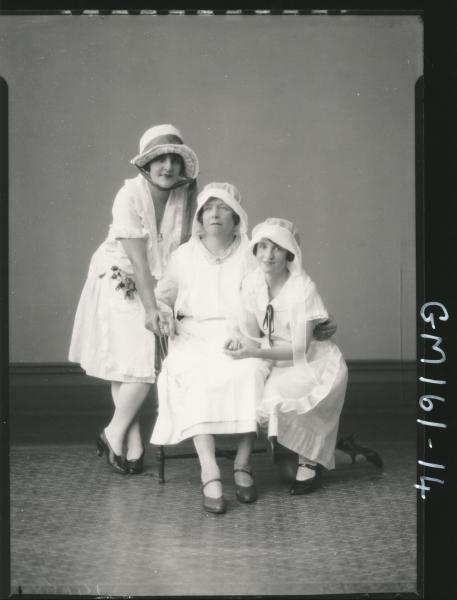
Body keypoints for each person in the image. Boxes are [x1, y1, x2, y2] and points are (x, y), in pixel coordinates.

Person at [69, 124, 199, 475]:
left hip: (152, 281)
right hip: (117, 276)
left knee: (129, 363)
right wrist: (152, 308)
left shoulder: (185, 198)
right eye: (160, 159)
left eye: (174, 159)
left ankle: (129, 438)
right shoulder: (128, 196)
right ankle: (114, 433)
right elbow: (139, 263)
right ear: (146, 164)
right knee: (137, 360)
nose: (168, 167)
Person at [150, 182, 271, 514]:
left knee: (250, 371)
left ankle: (243, 464)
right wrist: (163, 315)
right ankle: (210, 469)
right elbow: (164, 296)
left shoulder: (251, 254)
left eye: (224, 208)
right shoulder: (183, 255)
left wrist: (249, 337)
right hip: (192, 333)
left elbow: (269, 300)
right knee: (195, 376)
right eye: (208, 208)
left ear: (237, 217)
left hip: (240, 332)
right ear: (200, 217)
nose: (215, 214)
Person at [224, 217, 348, 496]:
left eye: (277, 248)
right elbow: (250, 331)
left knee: (277, 394)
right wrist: (238, 340)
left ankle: (313, 460)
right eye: (263, 247)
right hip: (275, 358)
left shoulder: (302, 288)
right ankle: (344, 453)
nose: (268, 255)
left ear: (289, 254)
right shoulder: (252, 283)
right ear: (254, 251)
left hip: (310, 362)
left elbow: (300, 350)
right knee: (286, 473)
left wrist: (254, 352)